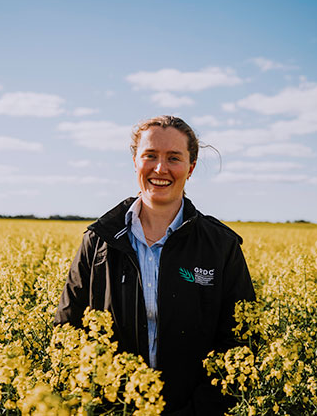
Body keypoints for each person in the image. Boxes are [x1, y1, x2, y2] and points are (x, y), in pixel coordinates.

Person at [54, 115, 255, 415]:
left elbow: (240, 343)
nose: (160, 169)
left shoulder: (221, 247)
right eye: (150, 156)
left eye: (174, 158)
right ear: (135, 161)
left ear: (191, 167)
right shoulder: (99, 241)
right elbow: (66, 332)